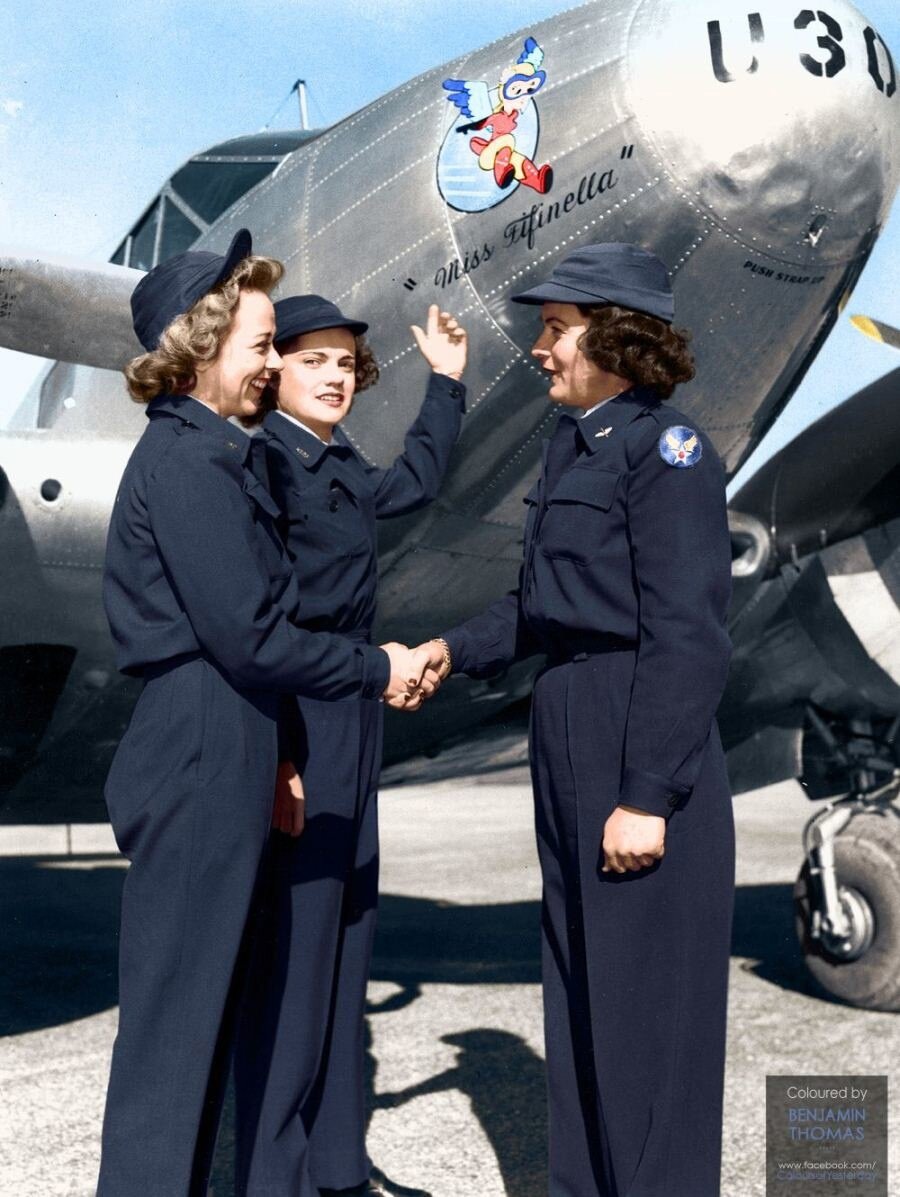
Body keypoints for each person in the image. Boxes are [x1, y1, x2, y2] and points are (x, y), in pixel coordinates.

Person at [98, 230, 430, 1197]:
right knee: (174, 1031)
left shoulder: (214, 455)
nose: (271, 361)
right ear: (200, 348)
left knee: (199, 1020)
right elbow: (250, 637)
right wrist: (377, 666)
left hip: (226, 736)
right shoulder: (193, 466)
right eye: (259, 343)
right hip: (200, 737)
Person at [414, 243, 735, 1196]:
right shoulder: (574, 445)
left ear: (616, 337)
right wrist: (447, 649)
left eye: (556, 331)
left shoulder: (669, 453)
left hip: (637, 725)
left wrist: (647, 795)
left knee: (646, 1021)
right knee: (583, 998)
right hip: (566, 724)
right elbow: (539, 604)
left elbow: (687, 634)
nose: (541, 350)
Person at [234, 295, 467, 1197]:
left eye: (344, 362)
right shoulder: (265, 465)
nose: (335, 376)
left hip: (352, 722)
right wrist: (283, 755)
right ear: (274, 371)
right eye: (312, 360)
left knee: (345, 946)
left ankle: (336, 1169)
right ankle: (274, 1177)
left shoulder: (331, 460)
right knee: (294, 965)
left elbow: (410, 483)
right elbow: (263, 625)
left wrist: (446, 384)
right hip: (303, 719)